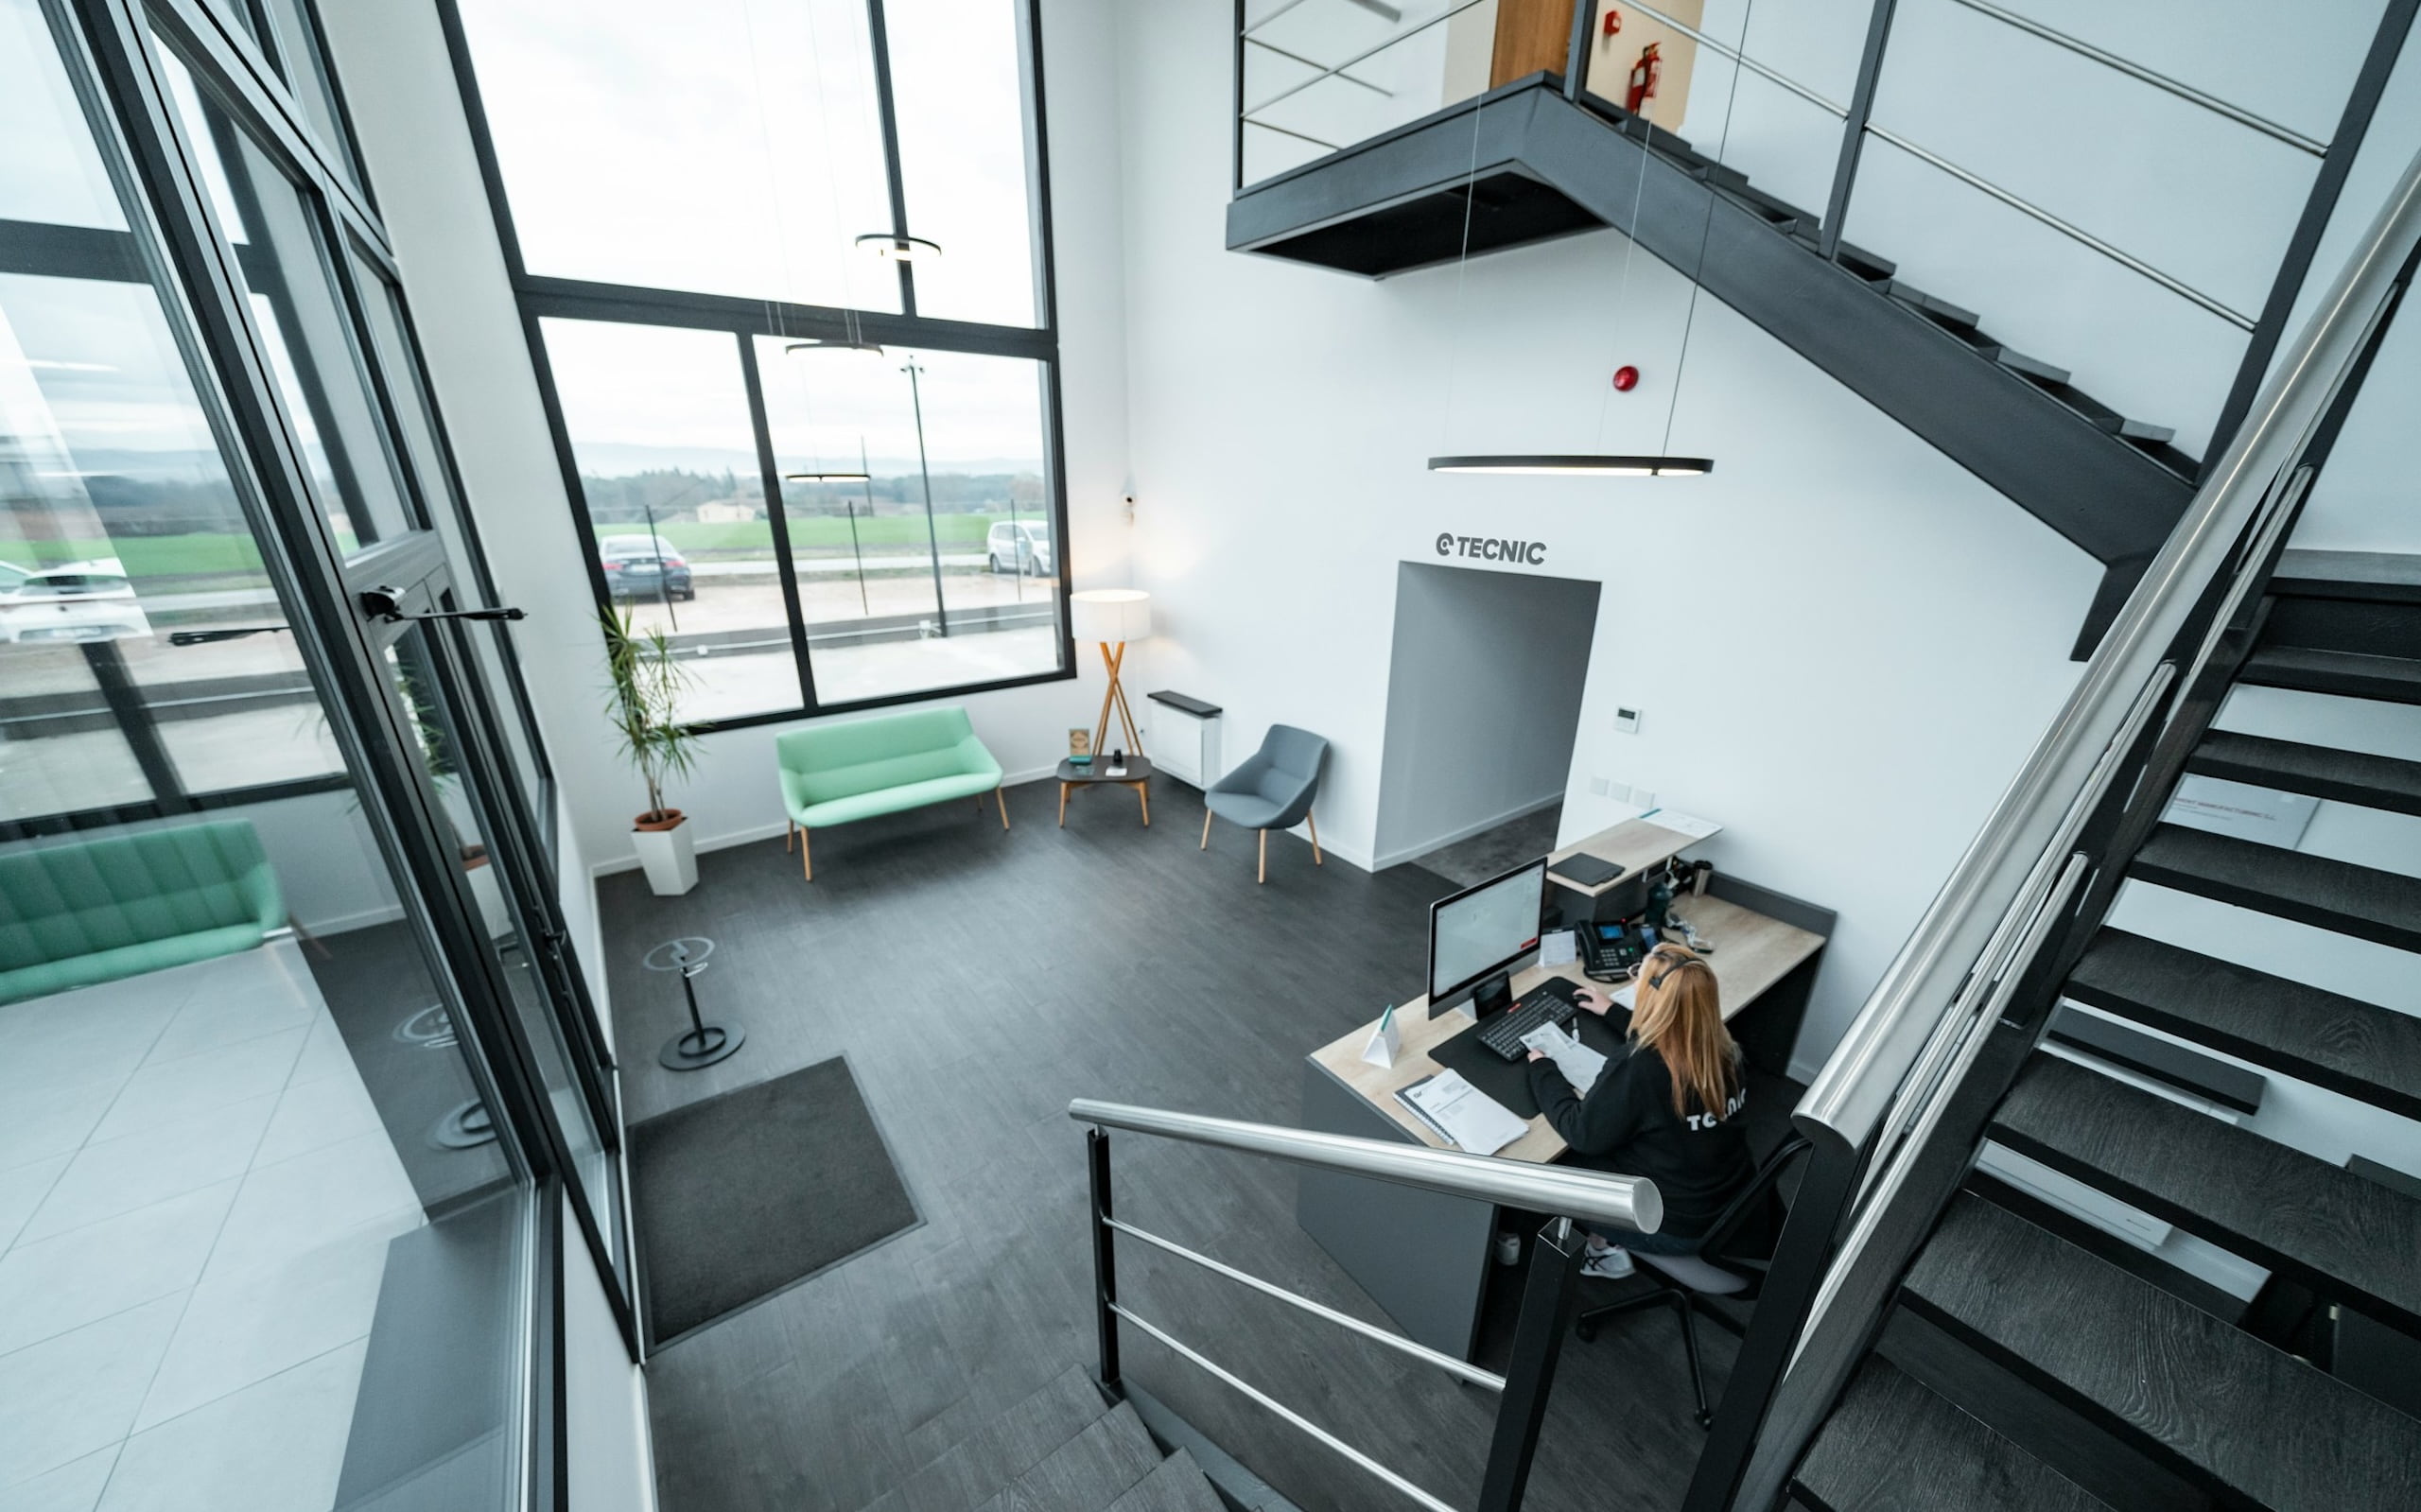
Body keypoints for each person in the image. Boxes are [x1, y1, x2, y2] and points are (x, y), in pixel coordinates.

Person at [1525, 941, 1753, 1279]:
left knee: (1559, 1165)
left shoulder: (1641, 1067)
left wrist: (1541, 1069)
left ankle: (1602, 1252)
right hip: (1730, 1206)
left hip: (1672, 1226)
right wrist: (1614, 1013)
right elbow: (1674, 1030)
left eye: (1638, 977)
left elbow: (1580, 1132)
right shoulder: (1723, 1049)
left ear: (1650, 995)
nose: (1633, 983)